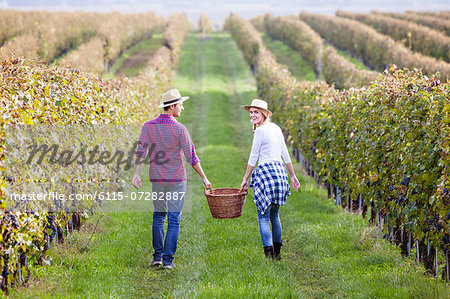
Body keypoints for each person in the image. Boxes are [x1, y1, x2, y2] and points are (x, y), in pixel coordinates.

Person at [132, 88, 211, 269]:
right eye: (181, 105)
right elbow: (192, 157)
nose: (182, 109)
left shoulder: (148, 126)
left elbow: (140, 152)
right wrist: (205, 179)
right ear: (172, 106)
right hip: (176, 180)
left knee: (159, 216)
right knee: (174, 218)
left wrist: (136, 174)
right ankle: (168, 261)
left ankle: (157, 257)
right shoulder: (180, 129)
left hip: (157, 179)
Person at [240, 99, 300, 260]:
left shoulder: (260, 131)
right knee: (274, 215)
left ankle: (269, 256)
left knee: (263, 216)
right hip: (280, 173)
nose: (252, 115)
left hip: (266, 172)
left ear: (264, 114)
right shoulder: (276, 128)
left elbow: (254, 156)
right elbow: (284, 153)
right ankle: (277, 254)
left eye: (256, 112)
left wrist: (245, 178)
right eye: (251, 112)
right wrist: (292, 176)